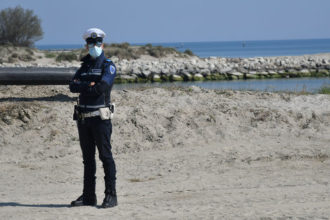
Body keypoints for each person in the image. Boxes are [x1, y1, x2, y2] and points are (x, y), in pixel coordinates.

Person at [69, 28, 117, 208]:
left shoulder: (108, 66)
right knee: (87, 160)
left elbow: (102, 88)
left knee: (105, 157)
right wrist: (87, 85)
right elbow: (72, 87)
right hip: (83, 120)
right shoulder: (83, 67)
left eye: (98, 43)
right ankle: (89, 196)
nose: (95, 46)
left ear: (102, 44)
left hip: (100, 120)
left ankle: (111, 195)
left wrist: (85, 86)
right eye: (91, 43)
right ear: (86, 46)